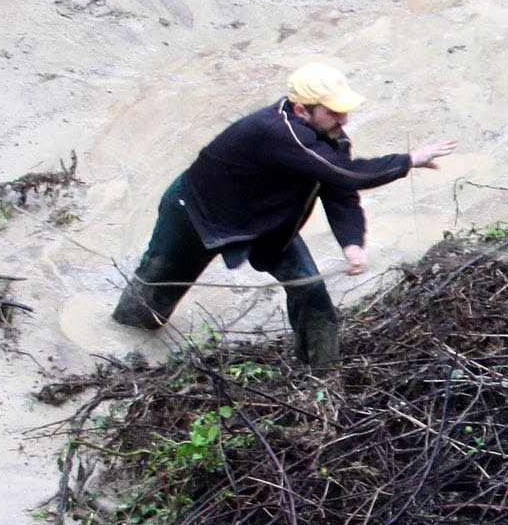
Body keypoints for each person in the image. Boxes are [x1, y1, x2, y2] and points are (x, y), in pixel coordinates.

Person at [112, 62, 454, 366]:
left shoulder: (329, 138)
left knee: (310, 290)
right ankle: (125, 347)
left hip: (265, 224)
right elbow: (345, 174)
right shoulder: (277, 132)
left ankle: (322, 374)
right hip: (198, 215)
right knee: (152, 297)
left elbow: (337, 188)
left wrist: (351, 242)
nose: (343, 120)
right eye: (334, 112)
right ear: (301, 109)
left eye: (344, 111)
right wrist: (408, 160)